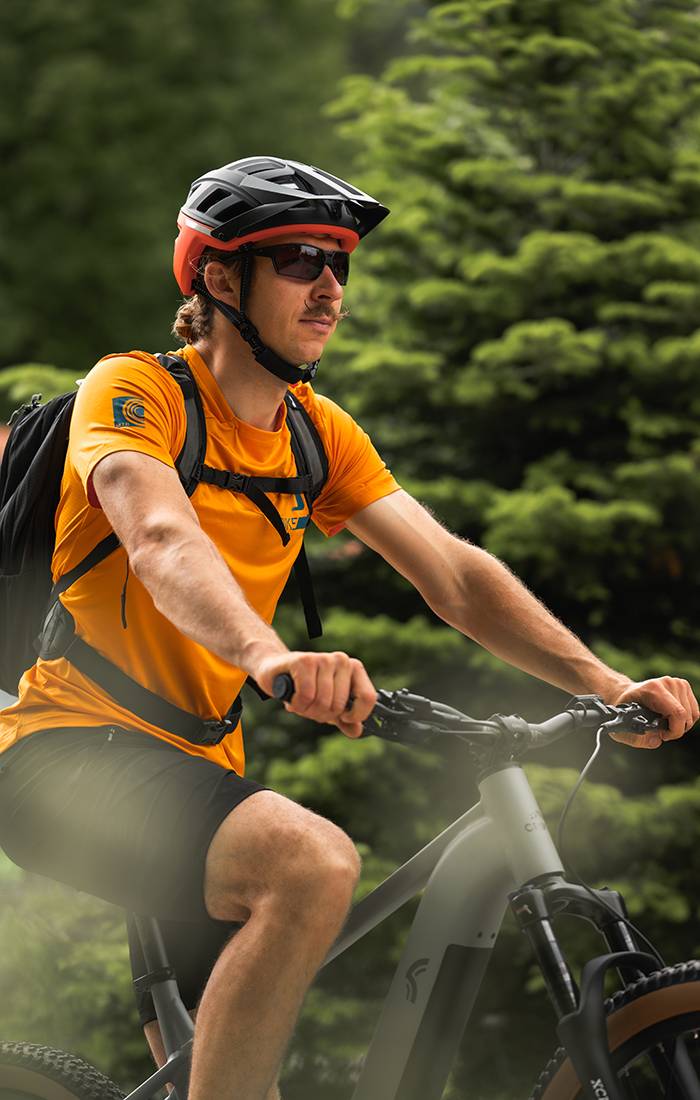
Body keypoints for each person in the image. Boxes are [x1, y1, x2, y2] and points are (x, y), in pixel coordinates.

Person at [0, 155, 696, 1100]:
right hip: (64, 754)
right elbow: (160, 534)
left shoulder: (314, 431)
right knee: (315, 863)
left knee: (247, 1072)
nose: (330, 286)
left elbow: (455, 576)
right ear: (216, 276)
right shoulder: (135, 392)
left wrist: (606, 685)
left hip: (198, 772)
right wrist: (270, 653)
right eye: (297, 258)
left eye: (341, 263)